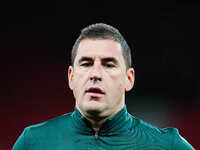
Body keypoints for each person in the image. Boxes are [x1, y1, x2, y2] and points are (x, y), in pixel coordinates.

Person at [12, 23, 195, 150]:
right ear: (71, 77)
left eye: (109, 64)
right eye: (86, 63)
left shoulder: (167, 145)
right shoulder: (33, 142)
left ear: (128, 79)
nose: (96, 74)